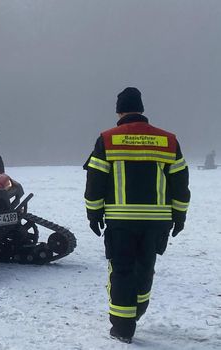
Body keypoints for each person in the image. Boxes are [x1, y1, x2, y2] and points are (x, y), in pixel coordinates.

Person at [83, 87, 190, 343]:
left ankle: (122, 327)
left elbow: (95, 179)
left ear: (119, 110)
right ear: (141, 109)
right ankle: (137, 311)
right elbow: (180, 182)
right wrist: (180, 215)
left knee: (121, 271)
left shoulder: (108, 139)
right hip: (157, 222)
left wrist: (93, 212)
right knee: (145, 268)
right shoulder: (168, 140)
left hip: (121, 221)